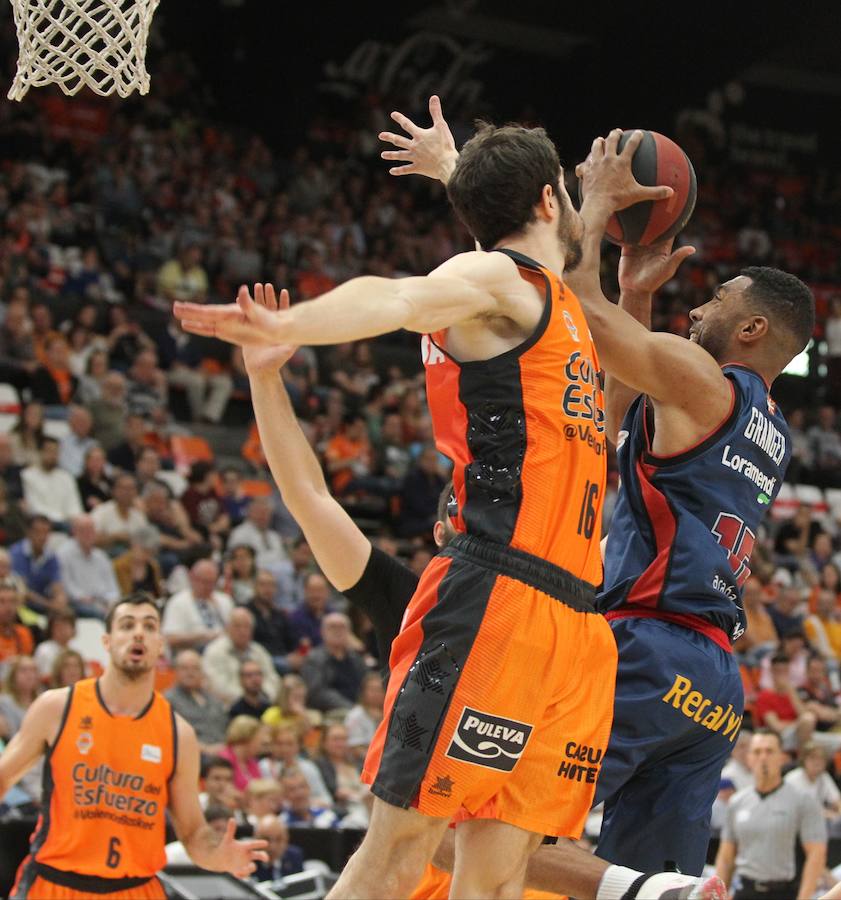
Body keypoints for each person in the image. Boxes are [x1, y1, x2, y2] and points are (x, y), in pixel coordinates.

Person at [175, 118, 702, 899]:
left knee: (495, 880)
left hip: (574, 625)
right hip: (499, 595)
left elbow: (555, 259)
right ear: (546, 198)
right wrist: (288, 326)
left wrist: (466, 172)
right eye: (560, 186)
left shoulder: (554, 307)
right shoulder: (499, 285)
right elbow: (398, 296)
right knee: (399, 853)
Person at [381, 101, 815, 883]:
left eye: (716, 302)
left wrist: (602, 208)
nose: (699, 306)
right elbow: (603, 398)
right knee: (654, 879)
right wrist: (634, 292)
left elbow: (576, 317)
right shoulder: (768, 426)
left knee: (470, 827)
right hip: (713, 684)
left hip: (639, 647)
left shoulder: (703, 379)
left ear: (750, 332)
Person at [0, 592, 267, 898]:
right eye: (127, 625)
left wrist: (217, 855)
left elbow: (193, 832)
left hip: (136, 888)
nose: (139, 632)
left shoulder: (178, 734)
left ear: (160, 646)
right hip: (56, 885)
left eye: (150, 626)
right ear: (107, 642)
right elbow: (4, 776)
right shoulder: (58, 707)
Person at [714, 730, 826, 899]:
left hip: (785, 892)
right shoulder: (737, 802)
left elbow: (816, 854)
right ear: (749, 758)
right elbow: (726, 857)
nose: (763, 757)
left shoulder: (802, 800)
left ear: (781, 757)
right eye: (757, 752)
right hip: (745, 890)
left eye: (769, 751)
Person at [202, 608, 280, 706]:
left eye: (246, 626)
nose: (242, 631)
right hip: (228, 708)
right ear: (227, 628)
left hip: (262, 704)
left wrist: (263, 696)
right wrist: (248, 699)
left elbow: (273, 679)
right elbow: (216, 686)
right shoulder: (214, 651)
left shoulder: (259, 651)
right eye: (237, 626)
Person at [56, 514, 121, 618]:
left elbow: (113, 587)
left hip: (103, 602)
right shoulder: (63, 554)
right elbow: (67, 586)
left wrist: (111, 602)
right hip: (79, 604)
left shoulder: (101, 557)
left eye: (91, 530)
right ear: (74, 532)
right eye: (83, 530)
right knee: (99, 614)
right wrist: (85, 599)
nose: (88, 534)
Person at [165, 649, 229, 753]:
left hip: (223, 755)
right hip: (191, 755)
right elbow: (169, 737)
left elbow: (226, 728)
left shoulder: (214, 699)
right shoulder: (168, 700)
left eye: (195, 668)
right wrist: (205, 749)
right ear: (175, 671)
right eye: (184, 668)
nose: (190, 673)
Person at [251, 815, 304, 884]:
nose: (273, 847)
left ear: (286, 839)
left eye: (279, 839)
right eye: (266, 839)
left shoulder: (295, 856)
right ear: (255, 839)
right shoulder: (248, 861)